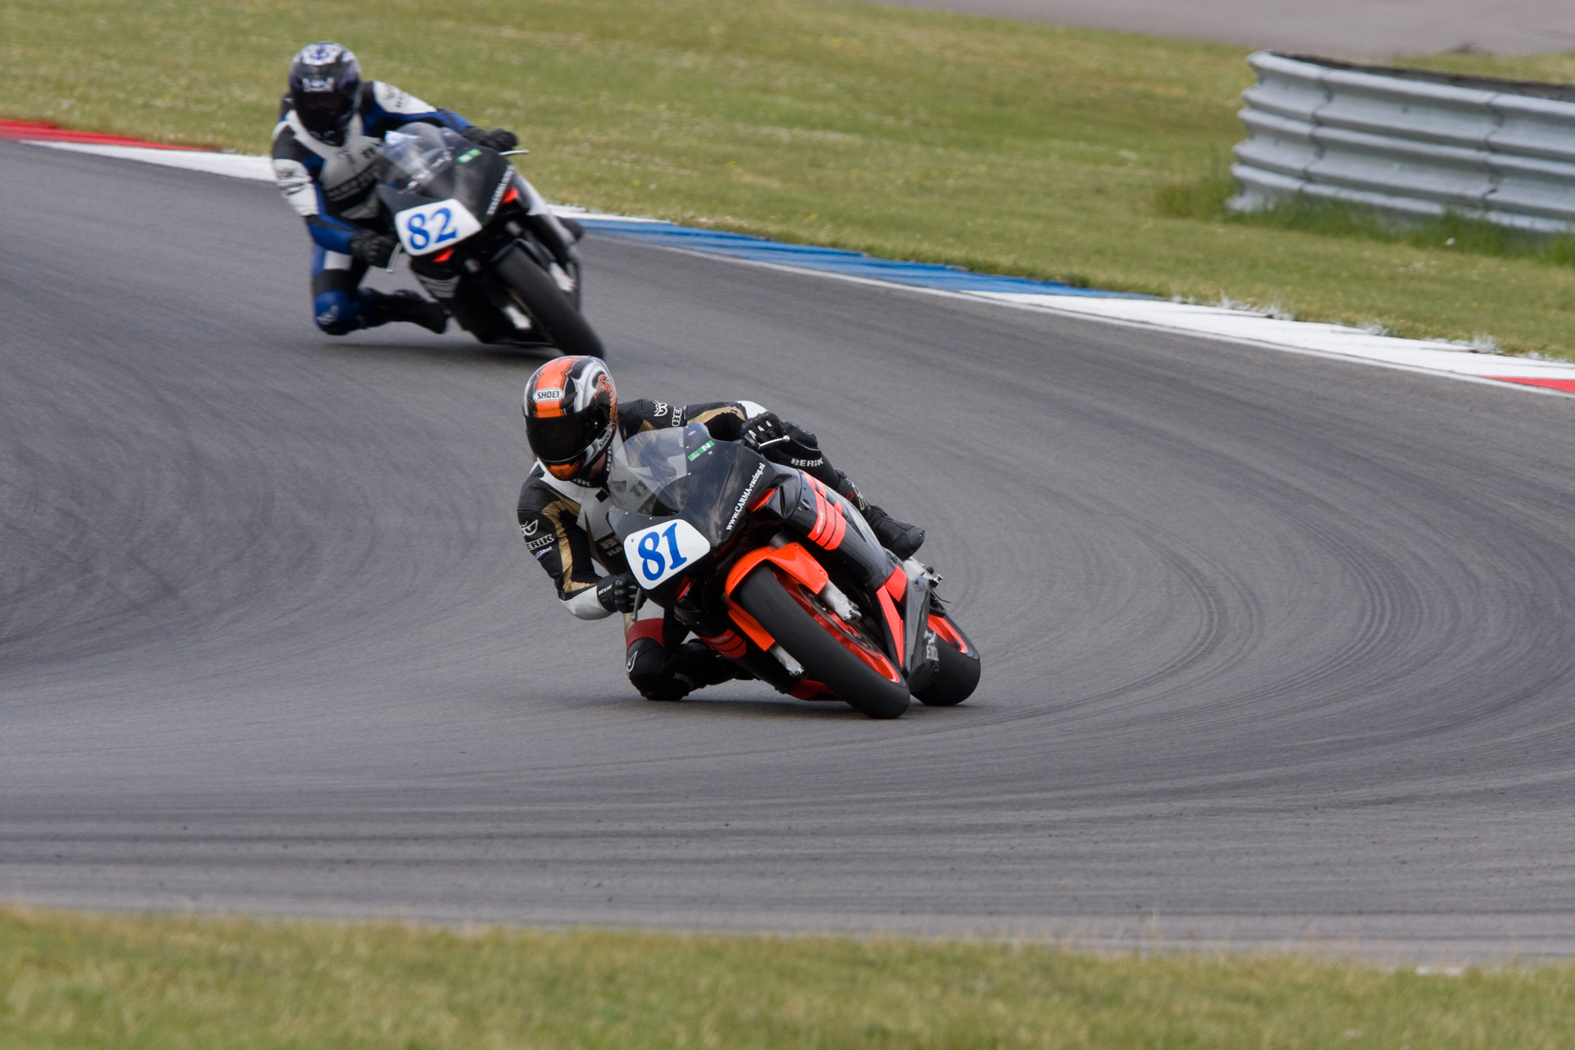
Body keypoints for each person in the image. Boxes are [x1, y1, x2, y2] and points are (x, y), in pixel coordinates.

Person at [516, 356, 926, 702]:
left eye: (567, 430)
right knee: (649, 672)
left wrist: (750, 424)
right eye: (546, 433)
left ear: (601, 416)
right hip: (662, 580)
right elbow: (573, 589)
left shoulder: (637, 419)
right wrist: (608, 592)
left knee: (785, 436)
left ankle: (873, 518)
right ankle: (745, 657)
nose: (558, 445)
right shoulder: (539, 502)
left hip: (712, 510)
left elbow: (722, 414)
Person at [270, 42, 520, 336]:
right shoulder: (288, 151)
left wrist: (475, 133)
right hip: (354, 225)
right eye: (313, 102)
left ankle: (527, 216)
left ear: (350, 92)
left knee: (482, 161)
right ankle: (401, 306)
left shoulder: (375, 96)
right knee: (331, 313)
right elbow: (316, 219)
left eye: (331, 101)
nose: (323, 110)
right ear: (297, 98)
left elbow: (434, 115)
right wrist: (359, 242)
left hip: (410, 190)